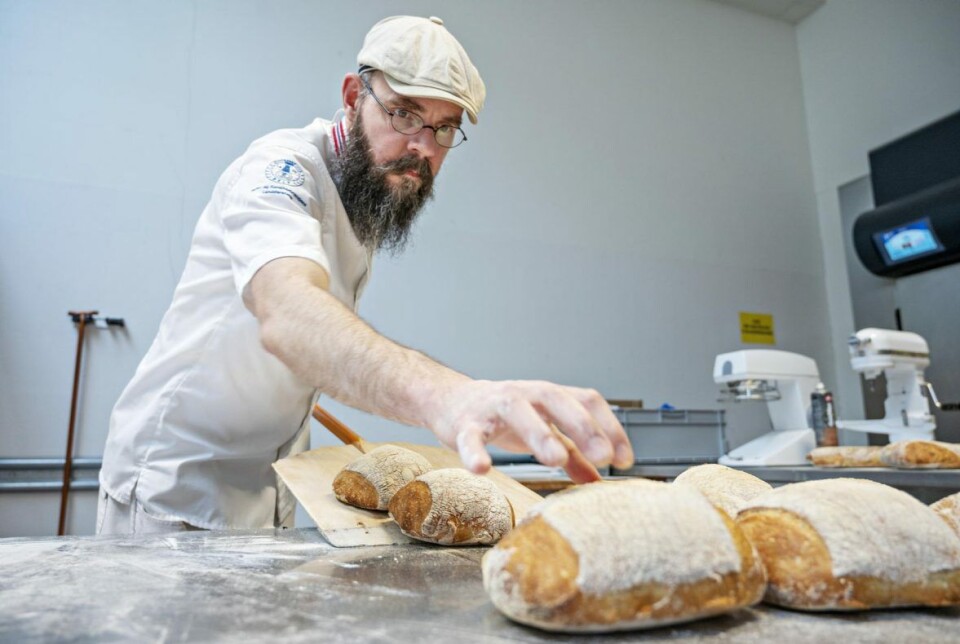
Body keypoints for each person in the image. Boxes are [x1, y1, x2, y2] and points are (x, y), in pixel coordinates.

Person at [96, 15, 633, 534]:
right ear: (354, 96)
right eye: (404, 114)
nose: (422, 146)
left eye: (445, 129)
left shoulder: (364, 193)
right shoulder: (278, 171)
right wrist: (447, 396)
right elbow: (288, 312)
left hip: (270, 489)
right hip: (175, 491)